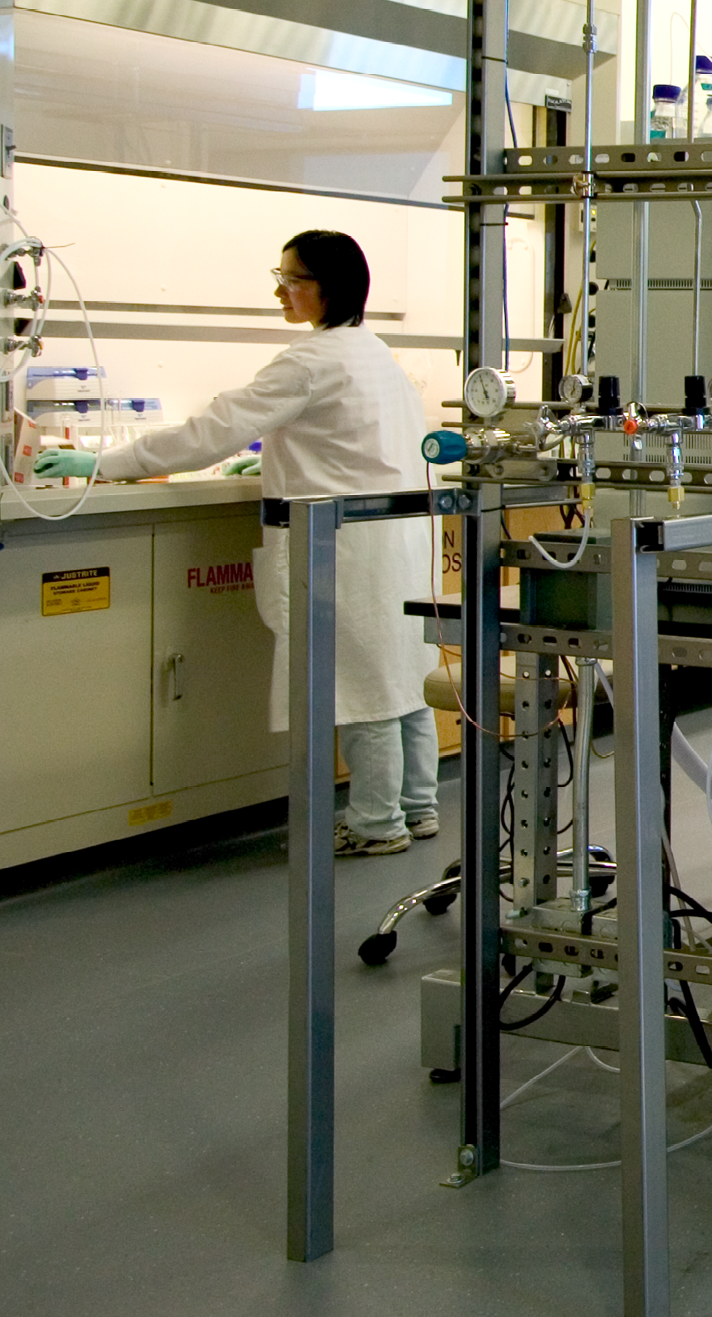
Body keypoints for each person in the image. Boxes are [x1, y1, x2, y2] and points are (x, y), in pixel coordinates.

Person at [34, 230, 440, 857]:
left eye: (293, 279)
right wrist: (280, 458)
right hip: (391, 541)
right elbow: (359, 442)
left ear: (329, 287)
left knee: (361, 687)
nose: (280, 290)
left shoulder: (309, 361)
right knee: (399, 675)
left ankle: (375, 824)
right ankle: (417, 808)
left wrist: (102, 462)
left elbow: (211, 431)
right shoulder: (370, 350)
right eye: (277, 276)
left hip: (350, 548)